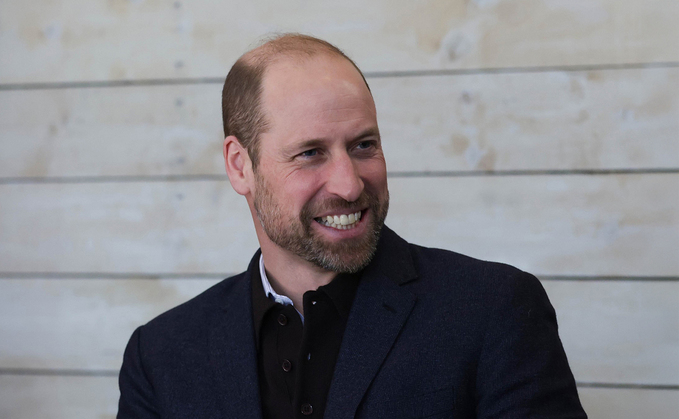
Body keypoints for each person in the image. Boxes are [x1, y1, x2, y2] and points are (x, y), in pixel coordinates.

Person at [118, 34, 587, 419]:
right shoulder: (160, 356)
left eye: (364, 145)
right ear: (240, 166)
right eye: (310, 153)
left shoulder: (494, 311)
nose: (349, 183)